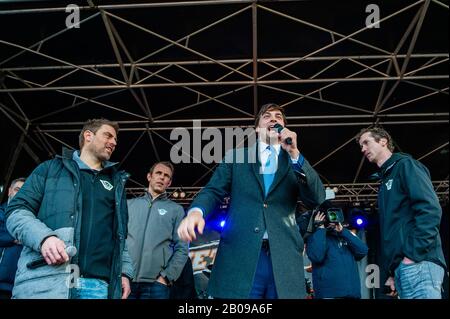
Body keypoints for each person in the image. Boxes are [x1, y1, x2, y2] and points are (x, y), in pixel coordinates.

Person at [177, 103, 326, 299]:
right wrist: (196, 211)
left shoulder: (294, 161)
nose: (273, 119)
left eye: (278, 117)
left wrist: (295, 154)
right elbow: (213, 190)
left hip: (283, 259)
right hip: (241, 257)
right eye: (267, 116)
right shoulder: (237, 157)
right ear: (257, 128)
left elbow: (317, 198)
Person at [6, 118, 134, 299]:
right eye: (108, 136)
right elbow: (16, 211)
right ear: (88, 136)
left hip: (98, 287)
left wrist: (125, 272)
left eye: (115, 140)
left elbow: (120, 237)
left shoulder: (116, 183)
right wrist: (44, 238)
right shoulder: (49, 169)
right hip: (47, 283)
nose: (114, 142)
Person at [357, 126, 446, 299]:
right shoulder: (384, 181)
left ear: (383, 141)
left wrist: (412, 255)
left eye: (366, 143)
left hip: (420, 262)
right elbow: (393, 231)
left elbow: (430, 209)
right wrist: (392, 271)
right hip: (404, 268)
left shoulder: (406, 166)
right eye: (361, 146)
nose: (363, 149)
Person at [126, 162, 188, 299]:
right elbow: (118, 241)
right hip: (126, 281)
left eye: (166, 176)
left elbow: (182, 249)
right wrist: (120, 273)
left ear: (169, 183)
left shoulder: (176, 210)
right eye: (158, 173)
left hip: (156, 286)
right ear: (149, 176)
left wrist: (166, 278)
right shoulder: (129, 205)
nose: (162, 177)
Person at [302, 204, 368, 299]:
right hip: (329, 295)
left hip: (352, 294)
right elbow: (316, 256)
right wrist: (320, 228)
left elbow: (362, 251)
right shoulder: (315, 236)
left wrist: (342, 231)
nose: (332, 218)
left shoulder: (344, 234)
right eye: (329, 215)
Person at [0, 178, 26, 299]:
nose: (20, 194)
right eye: (17, 190)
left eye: (24, 191)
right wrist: (17, 237)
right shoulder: (0, 212)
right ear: (9, 191)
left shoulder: (29, 218)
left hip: (17, 286)